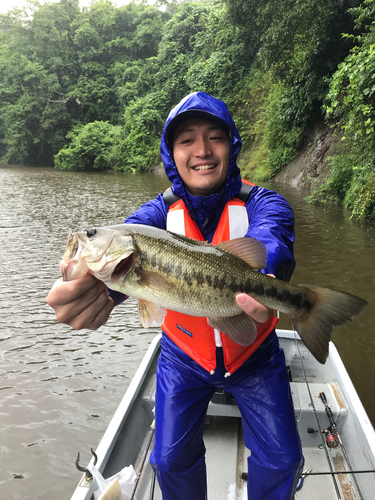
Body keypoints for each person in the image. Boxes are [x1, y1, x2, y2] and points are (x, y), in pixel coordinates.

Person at [47, 91, 304, 499]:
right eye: (186, 140)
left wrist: (268, 271)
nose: (202, 150)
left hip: (254, 354)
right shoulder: (151, 218)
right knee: (167, 460)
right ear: (172, 153)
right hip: (182, 356)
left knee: (284, 460)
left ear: (231, 146)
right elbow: (132, 266)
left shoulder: (264, 202)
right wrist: (97, 292)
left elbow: (272, 238)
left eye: (214, 137)